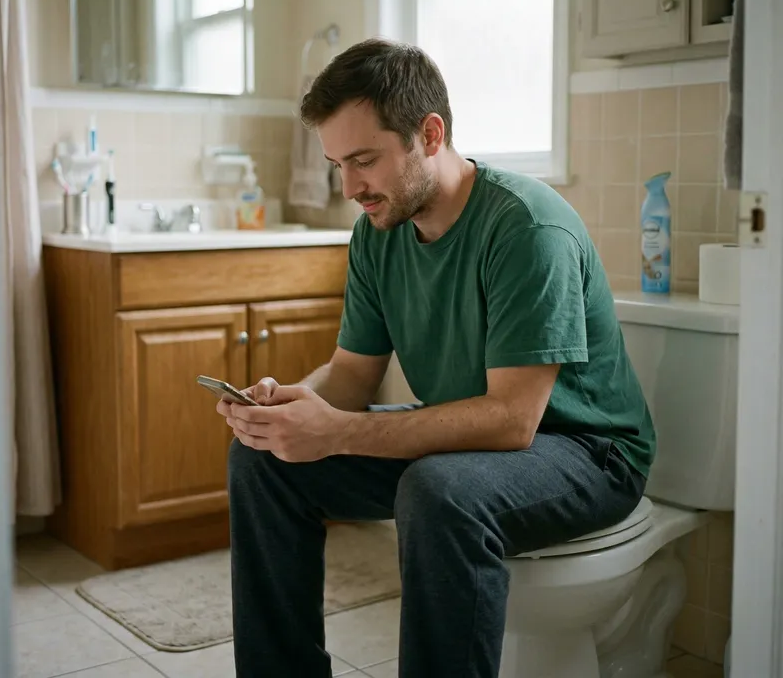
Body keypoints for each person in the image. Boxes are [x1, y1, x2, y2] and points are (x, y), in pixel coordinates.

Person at [217, 38, 656, 678]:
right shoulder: (377, 234)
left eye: (364, 160)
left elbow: (513, 420)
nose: (350, 188)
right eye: (338, 164)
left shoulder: (528, 229)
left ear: (429, 134)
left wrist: (338, 432)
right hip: (472, 437)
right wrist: (288, 407)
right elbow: (351, 376)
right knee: (263, 461)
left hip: (588, 450)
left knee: (440, 491)